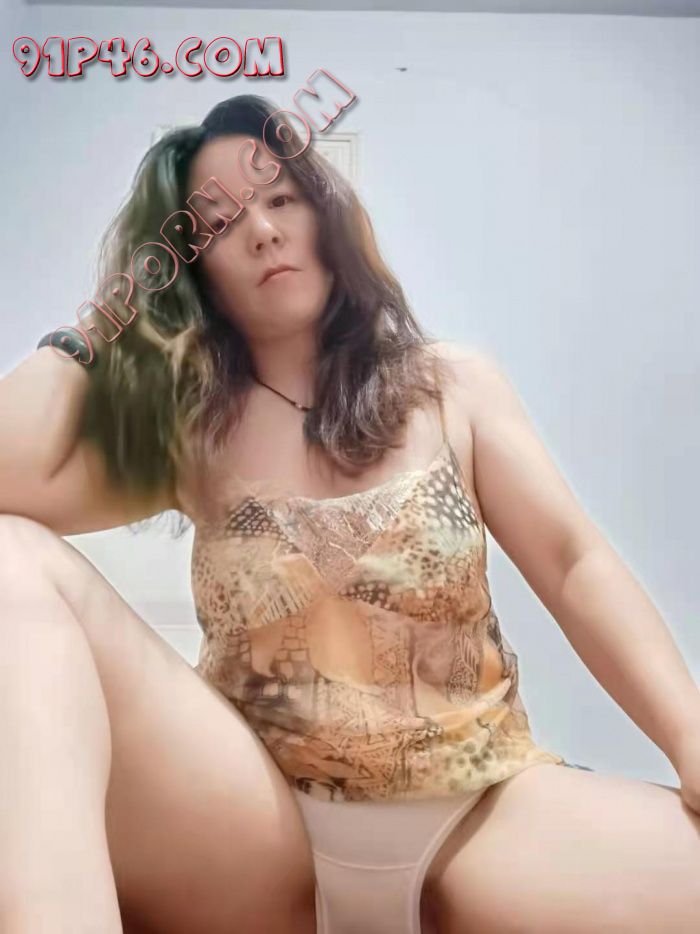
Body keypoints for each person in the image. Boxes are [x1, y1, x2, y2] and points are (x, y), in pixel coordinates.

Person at [1, 93, 698, 934]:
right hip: (252, 826)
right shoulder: (188, 434)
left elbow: (573, 564)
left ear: (325, 214)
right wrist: (107, 320)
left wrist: (690, 740)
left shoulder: (451, 387)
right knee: (9, 557)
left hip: (474, 819)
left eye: (281, 198)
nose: (262, 231)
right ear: (193, 269)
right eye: (217, 224)